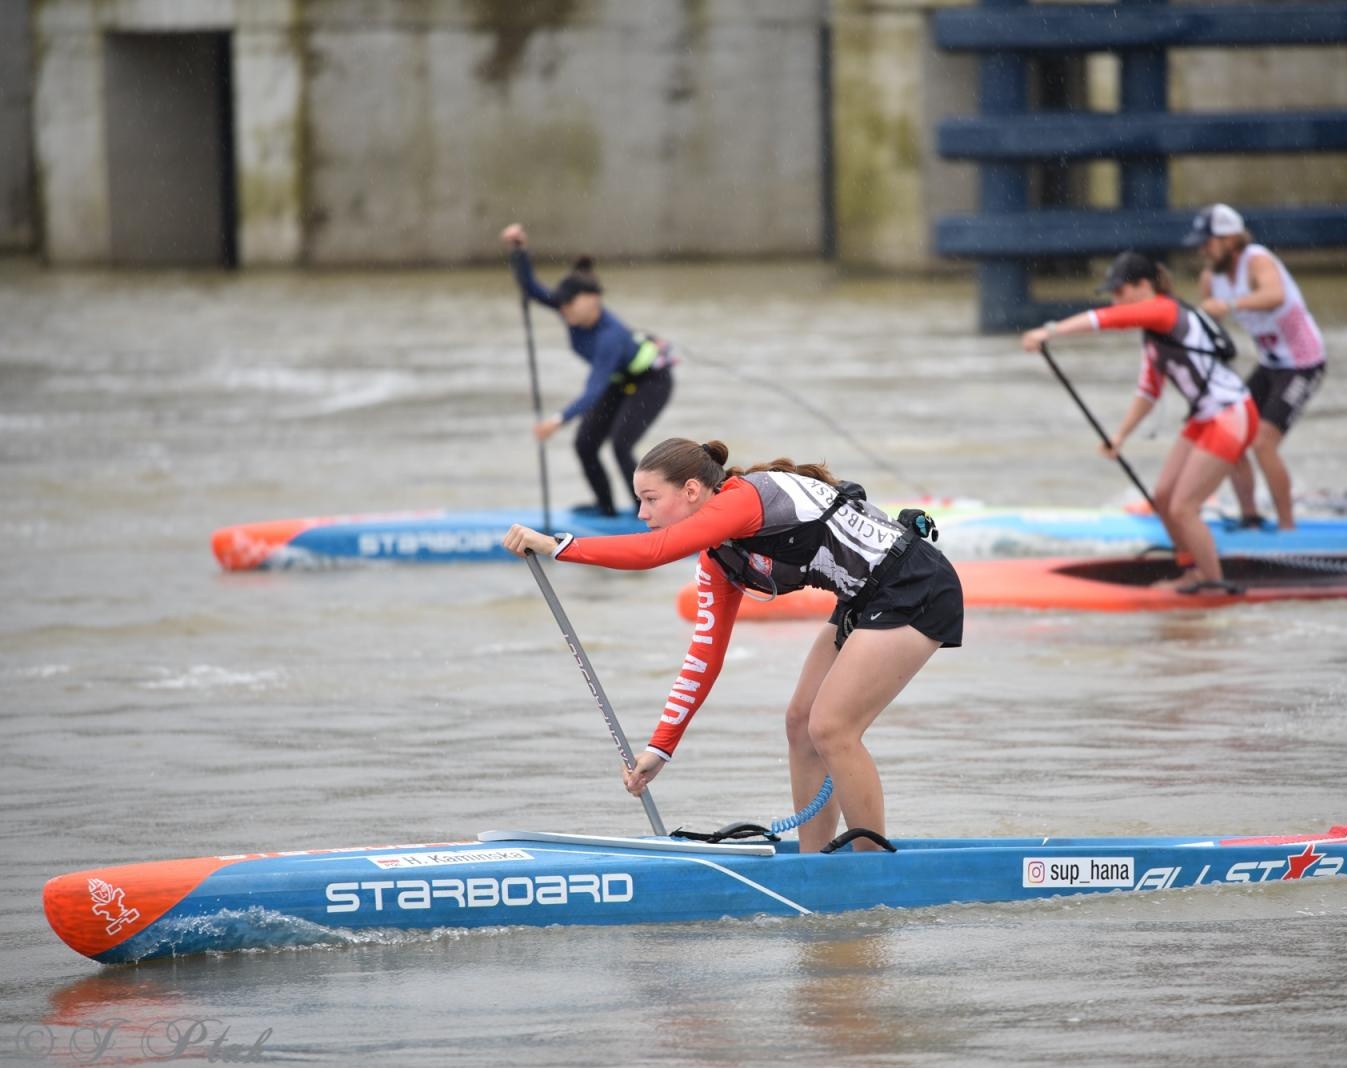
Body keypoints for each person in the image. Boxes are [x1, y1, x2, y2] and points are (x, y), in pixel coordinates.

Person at [501, 438, 963, 852]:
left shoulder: (745, 499)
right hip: (863, 599)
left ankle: (873, 865)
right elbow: (704, 657)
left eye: (649, 499)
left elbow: (652, 552)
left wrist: (558, 546)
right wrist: (659, 750)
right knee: (801, 723)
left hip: (915, 585)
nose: (642, 514)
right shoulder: (720, 559)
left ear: (691, 491)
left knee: (832, 728)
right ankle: (814, 863)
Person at [1021, 251, 1258, 592]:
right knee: (1162, 497)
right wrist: (1120, 436)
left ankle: (1212, 582)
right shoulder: (1154, 334)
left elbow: (1110, 319)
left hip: (1231, 413)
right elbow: (1149, 391)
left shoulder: (1165, 310)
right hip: (1207, 416)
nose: (1117, 300)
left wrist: (1050, 331)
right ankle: (1189, 568)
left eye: (1120, 291)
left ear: (1143, 286)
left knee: (1184, 507)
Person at [501, 222, 675, 517]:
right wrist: (519, 250)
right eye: (561, 305)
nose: (563, 311)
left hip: (651, 382)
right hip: (619, 381)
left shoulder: (610, 336)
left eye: (568, 305)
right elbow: (530, 288)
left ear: (592, 300)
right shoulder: (569, 307)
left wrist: (557, 420)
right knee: (585, 444)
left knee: (621, 446)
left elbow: (594, 390)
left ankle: (646, 514)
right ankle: (605, 508)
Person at [1186, 203, 1327, 531]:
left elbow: (1274, 295)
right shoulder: (1211, 278)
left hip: (1303, 363)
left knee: (1263, 442)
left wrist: (1230, 304)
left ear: (1230, 239)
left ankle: (1288, 526)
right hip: (1269, 364)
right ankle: (1249, 516)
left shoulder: (1257, 260)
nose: (1203, 250)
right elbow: (1210, 326)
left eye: (1208, 242)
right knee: (1231, 434)